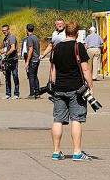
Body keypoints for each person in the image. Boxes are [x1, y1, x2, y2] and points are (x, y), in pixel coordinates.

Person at [48, 21, 93, 161]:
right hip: (76, 89)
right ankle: (77, 152)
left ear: (65, 32)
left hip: (59, 88)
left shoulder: (56, 47)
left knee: (58, 120)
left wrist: (53, 85)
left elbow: (53, 68)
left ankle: (56, 151)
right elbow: (85, 69)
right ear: (77, 33)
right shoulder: (78, 47)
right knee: (76, 119)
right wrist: (90, 86)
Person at [1, 24, 20, 99]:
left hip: (13, 60)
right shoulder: (5, 39)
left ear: (8, 30)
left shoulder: (11, 37)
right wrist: (1, 52)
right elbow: (5, 48)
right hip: (7, 60)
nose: (4, 32)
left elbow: (13, 48)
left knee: (15, 76)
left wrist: (5, 54)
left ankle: (16, 93)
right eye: (3, 31)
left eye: (5, 30)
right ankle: (8, 93)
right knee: (7, 77)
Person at [22, 23, 41, 98]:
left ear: (27, 30)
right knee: (35, 76)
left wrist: (27, 61)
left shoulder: (30, 38)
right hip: (37, 59)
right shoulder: (36, 37)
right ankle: (37, 92)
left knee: (31, 76)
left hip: (33, 59)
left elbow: (30, 49)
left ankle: (32, 93)